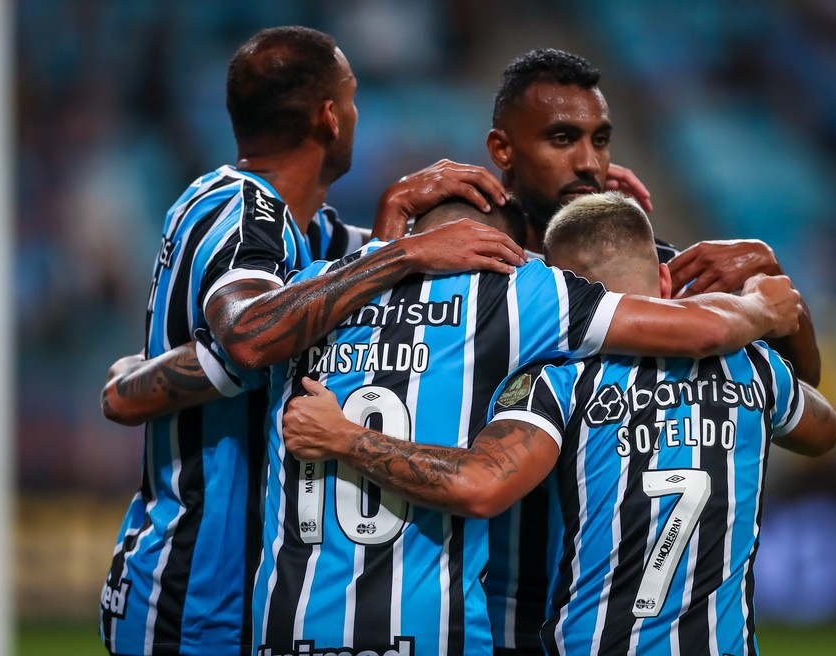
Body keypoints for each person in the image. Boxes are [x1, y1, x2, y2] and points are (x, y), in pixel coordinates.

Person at [97, 25, 528, 656]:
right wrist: (405, 250)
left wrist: (397, 217)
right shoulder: (244, 210)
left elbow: (353, 289)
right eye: (353, 100)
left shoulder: (301, 230)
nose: (358, 115)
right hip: (194, 592)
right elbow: (247, 333)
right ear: (331, 117)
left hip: (230, 591)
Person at [281, 191, 836, 655]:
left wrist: (345, 437)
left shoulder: (559, 381)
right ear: (666, 283)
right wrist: (785, 314)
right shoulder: (756, 368)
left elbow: (479, 483)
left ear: (567, 291)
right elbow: (825, 430)